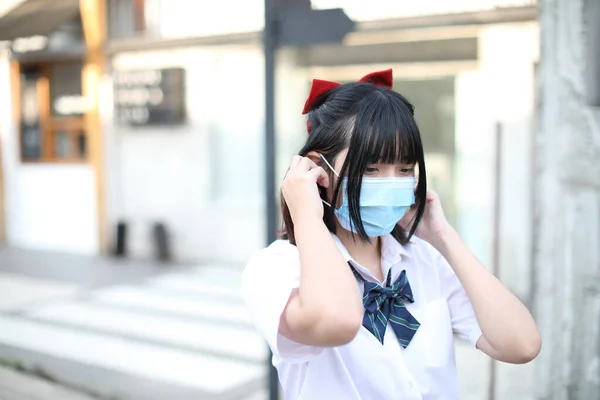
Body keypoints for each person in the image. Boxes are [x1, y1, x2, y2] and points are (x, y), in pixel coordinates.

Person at [241, 69, 541, 400]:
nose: (391, 182)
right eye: (371, 169)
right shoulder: (276, 268)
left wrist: (443, 235)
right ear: (319, 170)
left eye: (404, 169)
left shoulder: (425, 259)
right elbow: (336, 321)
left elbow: (522, 345)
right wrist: (306, 214)